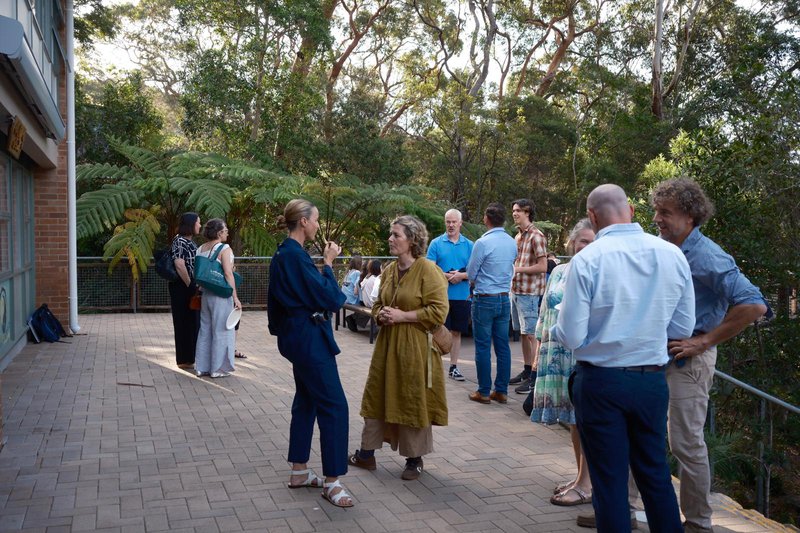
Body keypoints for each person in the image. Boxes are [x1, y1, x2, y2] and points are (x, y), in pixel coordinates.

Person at [552, 184, 694, 533]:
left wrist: (559, 326)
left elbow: (571, 335)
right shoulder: (672, 255)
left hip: (601, 382)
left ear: (592, 217)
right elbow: (683, 327)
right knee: (656, 475)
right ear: (630, 209)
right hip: (650, 380)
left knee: (609, 482)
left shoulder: (587, 260)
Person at [652, 178, 767, 533]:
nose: (657, 219)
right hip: (654, 355)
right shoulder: (662, 246)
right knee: (641, 432)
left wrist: (703, 342)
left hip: (689, 360)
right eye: (656, 211)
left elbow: (754, 305)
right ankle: (621, 509)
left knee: (685, 443)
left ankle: (699, 523)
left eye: (665, 213)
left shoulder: (707, 255)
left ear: (690, 216)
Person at [267, 199, 353, 508]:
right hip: (309, 340)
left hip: (296, 338)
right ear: (303, 221)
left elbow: (276, 305)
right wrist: (328, 263)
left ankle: (299, 470)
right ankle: (333, 481)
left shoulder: (284, 253)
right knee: (335, 406)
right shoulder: (295, 256)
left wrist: (285, 334)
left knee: (307, 401)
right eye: (315, 219)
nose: (317, 225)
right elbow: (331, 298)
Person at [349, 215, 449, 481]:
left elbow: (439, 311)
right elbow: (377, 303)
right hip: (387, 344)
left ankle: (414, 459)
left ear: (412, 240)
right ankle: (366, 453)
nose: (390, 239)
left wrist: (403, 316)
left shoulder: (428, 270)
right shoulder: (390, 270)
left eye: (396, 235)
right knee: (378, 393)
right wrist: (380, 314)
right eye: (391, 234)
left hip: (415, 347)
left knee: (411, 396)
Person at [529, 219, 595, 507]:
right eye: (583, 241)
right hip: (555, 352)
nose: (587, 247)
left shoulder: (598, 272)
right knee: (572, 420)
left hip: (580, 354)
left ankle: (587, 484)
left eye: (593, 242)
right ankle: (580, 477)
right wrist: (537, 351)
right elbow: (544, 312)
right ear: (572, 243)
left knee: (584, 420)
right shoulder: (558, 270)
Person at [466, 202, 518, 405]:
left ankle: (484, 391)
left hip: (484, 298)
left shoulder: (482, 243)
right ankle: (501, 391)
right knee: (503, 346)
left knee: (483, 346)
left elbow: (471, 273)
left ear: (486, 219)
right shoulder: (512, 242)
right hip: (504, 298)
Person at [426, 208, 474, 381]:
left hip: (462, 296)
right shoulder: (436, 243)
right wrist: (447, 276)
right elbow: (429, 269)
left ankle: (453, 367)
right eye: (448, 222)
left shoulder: (470, 245)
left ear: (460, 223)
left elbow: (475, 271)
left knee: (456, 332)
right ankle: (435, 365)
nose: (451, 225)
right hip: (440, 296)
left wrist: (461, 276)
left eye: (454, 222)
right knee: (436, 331)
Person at [508, 199, 548, 395]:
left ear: (527, 212)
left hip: (530, 293)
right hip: (516, 291)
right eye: (514, 210)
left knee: (531, 335)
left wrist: (517, 269)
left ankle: (534, 378)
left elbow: (543, 266)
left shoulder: (536, 236)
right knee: (523, 334)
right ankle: (526, 370)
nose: (514, 213)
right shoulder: (518, 236)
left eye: (518, 211)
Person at [195, 219, 241, 378]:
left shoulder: (201, 248)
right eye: (225, 230)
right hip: (221, 295)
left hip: (206, 294)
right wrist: (235, 296)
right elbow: (228, 273)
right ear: (219, 233)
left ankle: (202, 367)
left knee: (205, 330)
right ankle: (218, 368)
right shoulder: (224, 248)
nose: (227, 232)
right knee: (221, 331)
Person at [169, 212, 201, 369]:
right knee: (183, 321)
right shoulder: (180, 241)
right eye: (198, 223)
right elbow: (179, 264)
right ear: (191, 224)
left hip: (189, 285)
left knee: (192, 322)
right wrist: (190, 284)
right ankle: (184, 359)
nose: (200, 225)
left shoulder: (189, 241)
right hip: (182, 287)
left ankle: (190, 358)